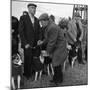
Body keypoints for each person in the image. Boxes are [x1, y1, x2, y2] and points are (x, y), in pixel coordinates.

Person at [38, 13, 68, 84]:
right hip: (57, 46)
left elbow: (51, 42)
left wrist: (47, 52)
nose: (41, 24)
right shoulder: (49, 26)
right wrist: (42, 42)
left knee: (56, 63)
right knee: (56, 63)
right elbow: (47, 38)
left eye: (41, 22)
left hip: (59, 47)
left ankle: (58, 80)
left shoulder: (52, 27)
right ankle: (56, 79)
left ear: (46, 20)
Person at [18, 3, 41, 79]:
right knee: (27, 59)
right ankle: (27, 74)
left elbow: (39, 31)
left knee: (34, 58)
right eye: (32, 8)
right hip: (27, 44)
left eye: (34, 8)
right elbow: (21, 31)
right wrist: (25, 43)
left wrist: (39, 40)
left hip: (35, 44)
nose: (34, 9)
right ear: (28, 9)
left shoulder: (37, 20)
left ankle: (33, 71)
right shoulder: (23, 18)